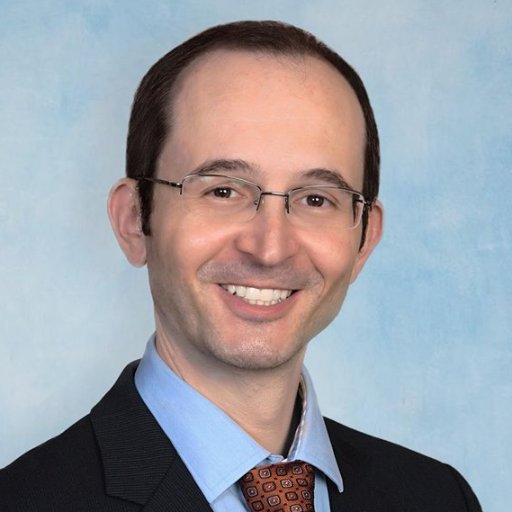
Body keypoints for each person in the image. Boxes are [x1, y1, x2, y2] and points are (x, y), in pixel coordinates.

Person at [0, 20, 481, 512]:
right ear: (134, 219)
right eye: (223, 191)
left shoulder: (439, 498)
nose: (270, 249)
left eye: (316, 199)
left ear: (364, 240)